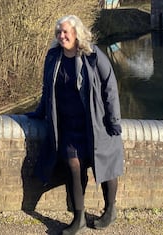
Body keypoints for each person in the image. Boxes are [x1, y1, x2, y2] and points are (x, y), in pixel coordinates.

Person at [25, 15, 124, 235]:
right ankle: (78, 218)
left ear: (76, 33)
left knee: (106, 167)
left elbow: (110, 89)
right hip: (68, 127)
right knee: (73, 167)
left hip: (97, 123)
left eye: (65, 32)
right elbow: (47, 89)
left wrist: (114, 121)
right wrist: (40, 112)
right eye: (58, 33)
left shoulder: (94, 56)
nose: (61, 36)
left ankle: (110, 210)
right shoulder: (53, 57)